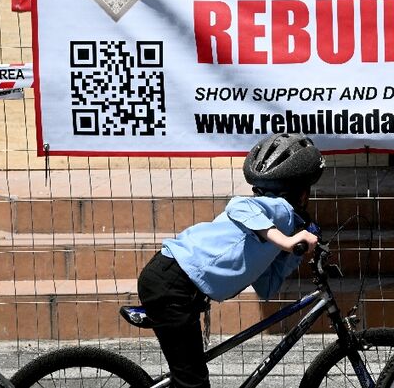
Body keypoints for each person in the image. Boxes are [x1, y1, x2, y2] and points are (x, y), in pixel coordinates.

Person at [137, 133, 325, 388]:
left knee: (190, 376)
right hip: (173, 282)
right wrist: (286, 242)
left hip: (173, 281)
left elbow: (267, 286)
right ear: (303, 193)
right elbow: (237, 206)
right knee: (192, 382)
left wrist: (294, 253)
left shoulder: (277, 225)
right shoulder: (277, 208)